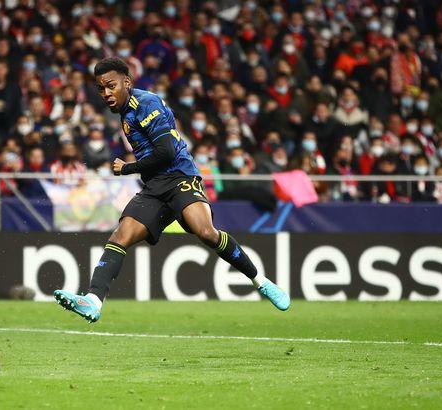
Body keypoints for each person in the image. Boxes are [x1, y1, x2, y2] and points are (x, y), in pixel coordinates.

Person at [53, 58, 290, 323]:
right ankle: (93, 300)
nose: (106, 93)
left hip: (180, 176)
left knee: (206, 232)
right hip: (155, 186)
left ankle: (261, 282)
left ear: (126, 82)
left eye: (111, 85)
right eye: (100, 88)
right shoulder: (125, 112)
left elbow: (166, 152)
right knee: (120, 237)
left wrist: (128, 168)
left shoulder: (146, 104)